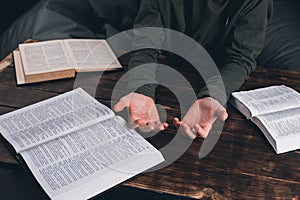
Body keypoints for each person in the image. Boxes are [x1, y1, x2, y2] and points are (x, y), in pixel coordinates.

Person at [114, 0, 273, 139]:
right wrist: (142, 88)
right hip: (170, 66)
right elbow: (146, 46)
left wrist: (214, 95)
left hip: (218, 71)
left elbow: (241, 58)